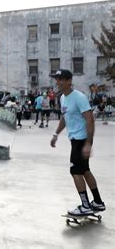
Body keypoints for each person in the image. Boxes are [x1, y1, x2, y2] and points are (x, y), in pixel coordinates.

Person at [50, 69, 105, 216]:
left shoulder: (79, 97)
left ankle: (85, 206)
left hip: (81, 140)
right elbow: (64, 117)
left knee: (75, 171)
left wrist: (88, 144)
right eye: (56, 79)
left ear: (69, 81)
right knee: (85, 171)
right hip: (75, 140)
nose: (58, 82)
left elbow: (90, 120)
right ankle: (98, 202)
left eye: (61, 79)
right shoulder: (62, 98)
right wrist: (56, 134)